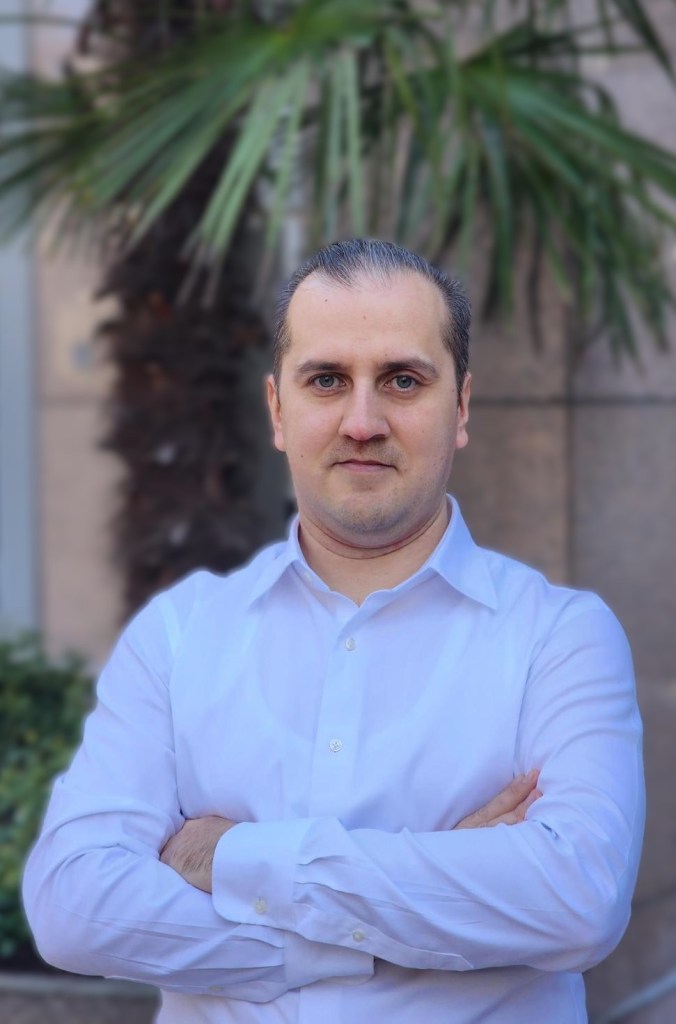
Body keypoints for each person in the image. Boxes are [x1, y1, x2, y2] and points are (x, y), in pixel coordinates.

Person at [23, 239, 645, 1023]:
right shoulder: (178, 636)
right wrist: (391, 926)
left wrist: (232, 857)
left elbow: (577, 898)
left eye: (403, 380)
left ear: (460, 408)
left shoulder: (561, 639)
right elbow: (73, 905)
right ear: (277, 410)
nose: (362, 421)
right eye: (326, 380)